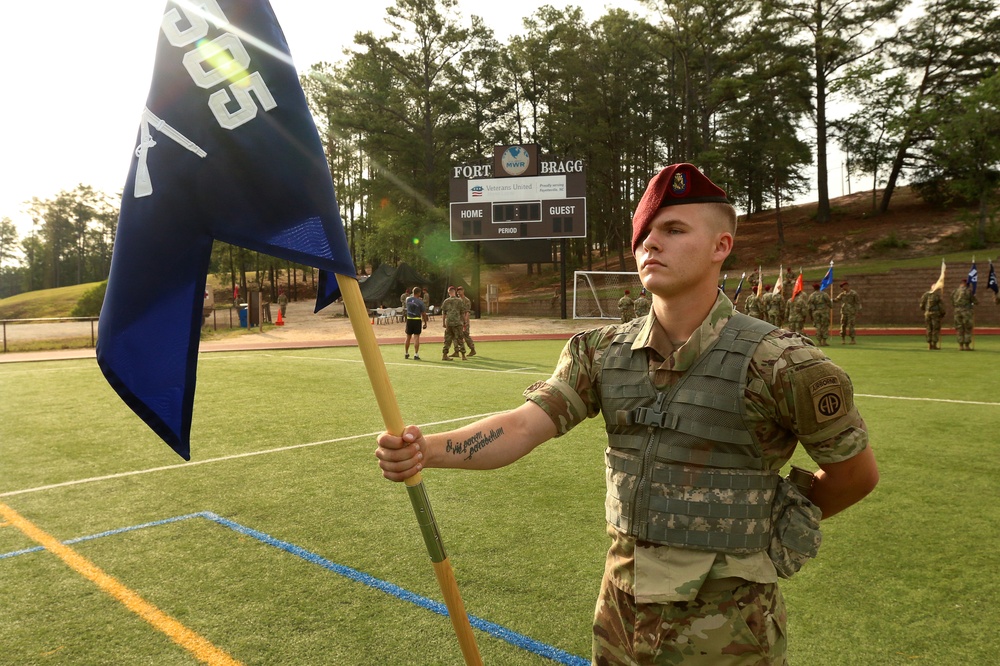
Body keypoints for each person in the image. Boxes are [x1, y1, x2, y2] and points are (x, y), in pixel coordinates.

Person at [376, 163, 878, 664]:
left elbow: (854, 475)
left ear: (721, 246)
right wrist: (427, 450)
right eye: (643, 235)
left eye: (674, 230)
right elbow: (524, 424)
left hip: (729, 637)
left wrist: (757, 520)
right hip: (620, 620)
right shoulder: (600, 351)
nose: (650, 244)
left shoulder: (783, 363)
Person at [440, 286, 467, 361]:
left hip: (449, 323)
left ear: (449, 292)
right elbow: (462, 313)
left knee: (447, 340)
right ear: (454, 291)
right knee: (460, 339)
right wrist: (464, 322)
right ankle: (463, 355)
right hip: (457, 323)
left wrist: (443, 323)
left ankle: (444, 355)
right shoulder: (459, 301)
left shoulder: (446, 301)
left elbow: (444, 313)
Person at [450, 286, 477, 357]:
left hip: (464, 320)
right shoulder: (457, 300)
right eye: (458, 291)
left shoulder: (466, 300)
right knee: (456, 336)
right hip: (457, 320)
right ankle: (456, 351)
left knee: (466, 335)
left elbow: (467, 312)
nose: (459, 292)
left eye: (460, 290)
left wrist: (465, 321)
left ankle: (472, 349)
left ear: (463, 291)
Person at [403, 286, 429, 360]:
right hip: (417, 319)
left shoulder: (408, 299)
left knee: (408, 337)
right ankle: (416, 354)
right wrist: (425, 322)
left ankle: (406, 353)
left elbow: (410, 299)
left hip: (409, 319)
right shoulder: (420, 302)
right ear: (419, 293)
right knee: (416, 337)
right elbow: (423, 313)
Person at [951, 278, 977, 350]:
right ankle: (967, 346)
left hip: (957, 311)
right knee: (967, 328)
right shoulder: (968, 291)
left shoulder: (955, 291)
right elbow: (975, 301)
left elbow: (952, 301)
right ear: (966, 284)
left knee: (959, 328)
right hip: (966, 311)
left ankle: (960, 346)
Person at [919, 286, 946, 350]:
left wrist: (926, 311)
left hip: (927, 314)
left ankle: (929, 344)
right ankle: (934, 344)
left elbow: (921, 305)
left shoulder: (925, 295)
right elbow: (941, 306)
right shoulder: (937, 296)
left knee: (928, 328)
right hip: (935, 314)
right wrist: (942, 313)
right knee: (935, 329)